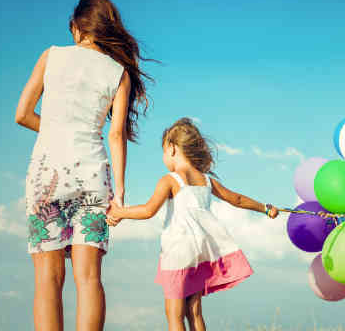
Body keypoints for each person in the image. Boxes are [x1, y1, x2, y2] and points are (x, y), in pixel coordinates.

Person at [15, 0, 153, 331]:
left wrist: (52, 127)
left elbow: (22, 114)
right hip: (92, 177)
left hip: (46, 175)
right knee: (89, 278)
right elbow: (116, 135)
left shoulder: (52, 56)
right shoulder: (118, 72)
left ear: (76, 28)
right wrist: (119, 193)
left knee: (47, 278)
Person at [106, 117, 280, 331]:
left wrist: (121, 213)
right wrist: (265, 207)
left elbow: (148, 210)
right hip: (200, 252)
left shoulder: (170, 179)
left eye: (162, 152)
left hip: (178, 251)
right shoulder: (206, 180)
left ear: (171, 149)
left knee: (174, 316)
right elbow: (236, 199)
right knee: (194, 312)